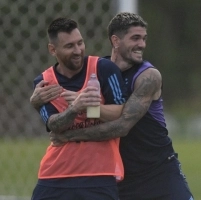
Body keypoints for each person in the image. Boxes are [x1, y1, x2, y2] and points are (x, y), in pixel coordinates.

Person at [31, 13, 194, 200]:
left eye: (144, 38)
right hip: (120, 177)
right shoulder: (101, 72)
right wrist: (36, 102)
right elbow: (89, 109)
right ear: (116, 41)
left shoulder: (148, 76)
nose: (142, 44)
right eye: (135, 38)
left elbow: (122, 125)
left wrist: (69, 135)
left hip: (158, 171)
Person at [30, 17, 128, 200]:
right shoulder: (44, 83)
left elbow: (119, 114)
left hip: (99, 175)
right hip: (54, 175)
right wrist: (74, 108)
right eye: (69, 46)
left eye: (80, 43)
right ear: (53, 50)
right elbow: (54, 126)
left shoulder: (103, 69)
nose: (78, 51)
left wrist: (90, 106)